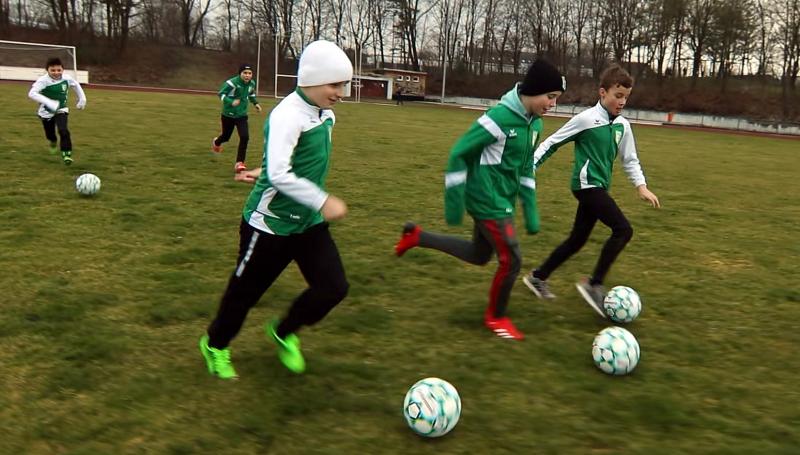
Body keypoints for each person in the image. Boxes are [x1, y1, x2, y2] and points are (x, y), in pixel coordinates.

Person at [199, 40, 352, 379]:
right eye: (336, 84)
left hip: (307, 223)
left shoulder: (325, 113)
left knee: (333, 287)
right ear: (312, 79)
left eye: (343, 85)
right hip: (269, 224)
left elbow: (285, 163)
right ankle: (215, 344)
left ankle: (284, 331)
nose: (342, 92)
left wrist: (259, 171)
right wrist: (322, 200)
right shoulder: (287, 115)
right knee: (244, 295)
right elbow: (282, 173)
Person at [394, 59, 566, 340]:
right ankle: (496, 317)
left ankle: (417, 236)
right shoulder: (498, 118)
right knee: (512, 260)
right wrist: (454, 201)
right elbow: (459, 153)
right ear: (533, 91)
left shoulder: (535, 126)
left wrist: (530, 208)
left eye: (556, 98)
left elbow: (524, 168)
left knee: (479, 254)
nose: (553, 104)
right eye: (550, 97)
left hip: (502, 199)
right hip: (486, 199)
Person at [521, 64, 660, 317]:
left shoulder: (623, 127)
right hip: (586, 186)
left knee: (577, 240)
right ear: (602, 93)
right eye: (618, 96)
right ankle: (594, 284)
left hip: (599, 188)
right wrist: (529, 167)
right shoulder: (586, 119)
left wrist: (642, 187)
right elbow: (552, 142)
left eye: (626, 98)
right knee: (623, 230)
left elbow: (630, 159)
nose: (622, 102)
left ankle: (538, 277)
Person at [28, 57, 87, 165]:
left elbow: (76, 85)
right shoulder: (43, 81)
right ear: (48, 70)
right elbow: (32, 93)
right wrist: (49, 102)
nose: (56, 72)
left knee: (63, 130)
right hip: (46, 112)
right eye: (53, 70)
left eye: (59, 70)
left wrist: (82, 99)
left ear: (62, 70)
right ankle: (53, 142)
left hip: (61, 108)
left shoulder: (66, 78)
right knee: (50, 134)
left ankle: (67, 154)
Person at [212, 64, 262, 173]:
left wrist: (256, 104)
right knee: (226, 137)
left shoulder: (251, 83)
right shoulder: (231, 83)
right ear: (240, 74)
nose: (247, 75)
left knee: (244, 137)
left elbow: (251, 94)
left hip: (242, 115)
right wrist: (231, 102)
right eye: (245, 73)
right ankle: (216, 142)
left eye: (249, 73)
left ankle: (239, 163)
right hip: (228, 115)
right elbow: (221, 94)